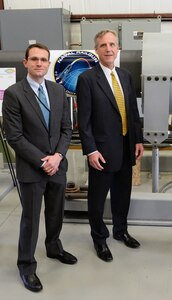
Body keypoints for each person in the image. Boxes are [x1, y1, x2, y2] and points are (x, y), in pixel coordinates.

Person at [2, 43, 77, 292]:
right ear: (25, 63)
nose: (39, 63)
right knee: (30, 219)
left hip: (57, 165)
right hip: (33, 169)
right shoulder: (14, 94)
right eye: (34, 59)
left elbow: (67, 129)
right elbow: (14, 136)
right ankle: (26, 265)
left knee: (56, 213)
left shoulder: (58, 91)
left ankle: (54, 248)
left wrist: (57, 156)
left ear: (48, 63)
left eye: (43, 59)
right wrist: (43, 160)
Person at [76, 30, 144, 262]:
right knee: (97, 198)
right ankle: (99, 238)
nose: (108, 48)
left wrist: (138, 140)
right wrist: (91, 150)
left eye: (112, 44)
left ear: (118, 49)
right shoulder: (86, 79)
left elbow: (133, 113)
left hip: (126, 147)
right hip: (102, 152)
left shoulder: (125, 76)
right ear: (96, 50)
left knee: (122, 194)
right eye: (103, 45)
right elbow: (83, 121)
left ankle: (120, 230)